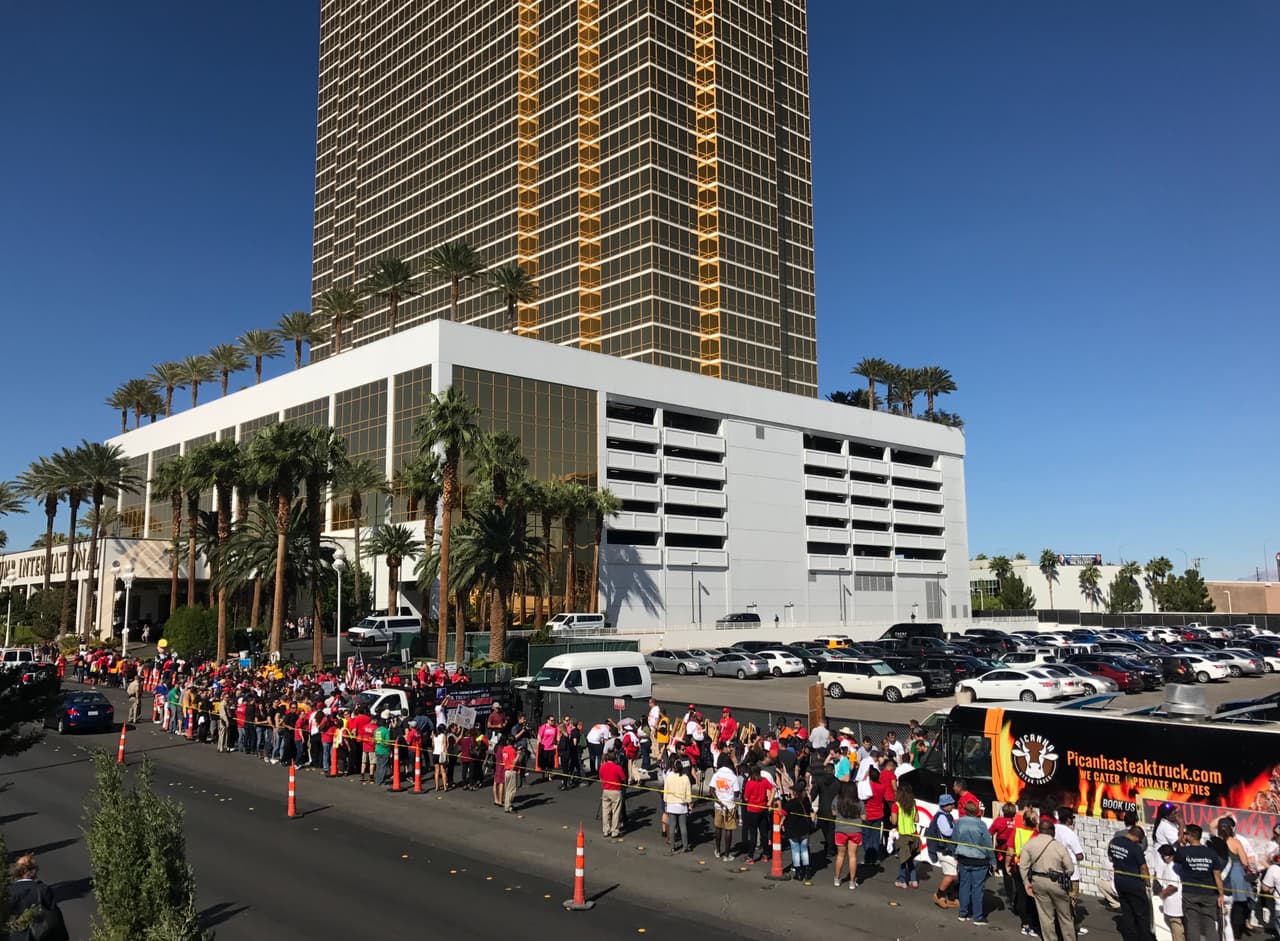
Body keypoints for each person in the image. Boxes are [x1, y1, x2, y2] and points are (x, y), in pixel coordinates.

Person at [1024, 816, 1078, 941]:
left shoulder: (1030, 843)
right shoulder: (1059, 847)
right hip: (1057, 882)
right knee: (1065, 916)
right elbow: (1070, 869)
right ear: (1052, 831)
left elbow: (1023, 866)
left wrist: (1027, 882)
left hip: (1038, 881)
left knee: (1045, 916)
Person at [1175, 825, 1224, 941]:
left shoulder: (1183, 851)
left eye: (1186, 834)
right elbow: (1217, 875)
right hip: (1209, 893)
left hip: (1190, 893)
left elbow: (1176, 861)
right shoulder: (1211, 853)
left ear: (1190, 836)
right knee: (1210, 924)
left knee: (1192, 924)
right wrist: (1221, 894)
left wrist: (1182, 843)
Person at [7, 854, 68, 941]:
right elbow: (55, 916)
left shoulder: (9, 892)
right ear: (27, 870)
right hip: (40, 936)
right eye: (35, 868)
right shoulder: (42, 889)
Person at [954, 800, 997, 925]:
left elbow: (954, 839)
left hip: (963, 858)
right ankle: (978, 917)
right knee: (978, 888)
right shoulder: (981, 824)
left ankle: (963, 913)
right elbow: (988, 844)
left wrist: (954, 854)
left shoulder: (959, 823)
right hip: (979, 860)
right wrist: (993, 861)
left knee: (964, 886)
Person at [1108, 825, 1153, 941]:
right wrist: (1148, 884)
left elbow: (1110, 858)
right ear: (1137, 837)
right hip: (1134, 884)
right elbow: (1143, 868)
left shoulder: (1114, 842)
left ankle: (1130, 937)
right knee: (1142, 914)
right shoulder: (1135, 848)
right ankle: (1145, 938)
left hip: (1119, 881)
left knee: (1127, 911)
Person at [1211, 817, 1252, 940]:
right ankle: (1236, 933)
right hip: (1236, 876)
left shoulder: (1216, 843)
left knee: (1221, 911)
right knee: (1238, 907)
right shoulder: (1236, 842)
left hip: (1219, 875)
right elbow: (1245, 862)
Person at [1056, 809, 1089, 936]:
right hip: (1071, 873)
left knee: (1059, 901)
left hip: (1057, 870)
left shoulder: (1054, 828)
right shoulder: (1070, 833)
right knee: (1071, 902)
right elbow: (1079, 855)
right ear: (1069, 820)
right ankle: (1070, 930)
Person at [782, 773, 817, 881]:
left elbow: (782, 813)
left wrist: (781, 823)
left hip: (793, 829)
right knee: (804, 850)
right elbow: (811, 811)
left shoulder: (791, 803)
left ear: (794, 792)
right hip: (804, 829)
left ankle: (798, 872)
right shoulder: (806, 801)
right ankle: (807, 872)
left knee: (795, 850)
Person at [929, 793, 959, 908]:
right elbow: (947, 832)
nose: (953, 806)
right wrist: (956, 828)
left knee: (952, 874)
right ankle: (938, 895)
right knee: (950, 875)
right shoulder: (941, 817)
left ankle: (950, 896)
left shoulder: (946, 815)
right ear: (945, 805)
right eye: (951, 804)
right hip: (944, 850)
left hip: (947, 849)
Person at [831, 782, 863, 889]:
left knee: (840, 855)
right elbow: (864, 816)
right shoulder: (858, 802)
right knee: (852, 856)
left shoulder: (837, 799)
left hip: (840, 829)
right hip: (855, 830)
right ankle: (852, 882)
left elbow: (833, 812)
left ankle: (837, 878)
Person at [891, 780, 921, 889]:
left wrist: (890, 818)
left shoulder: (896, 805)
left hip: (903, 835)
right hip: (914, 834)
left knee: (903, 859)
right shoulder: (913, 804)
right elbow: (917, 819)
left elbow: (894, 821)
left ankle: (903, 880)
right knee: (910, 859)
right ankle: (914, 880)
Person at [710, 754, 741, 860]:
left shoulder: (716, 774)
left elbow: (711, 790)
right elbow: (736, 793)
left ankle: (718, 851)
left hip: (718, 805)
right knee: (729, 829)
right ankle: (727, 854)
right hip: (730, 805)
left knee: (718, 828)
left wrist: (718, 801)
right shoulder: (733, 776)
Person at [742, 764, 775, 863]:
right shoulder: (764, 781)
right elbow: (773, 789)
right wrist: (769, 802)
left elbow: (746, 797)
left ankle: (751, 856)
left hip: (752, 810)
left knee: (753, 834)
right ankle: (765, 854)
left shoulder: (750, 783)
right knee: (764, 833)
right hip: (763, 808)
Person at [664, 756, 694, 853]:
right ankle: (685, 846)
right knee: (683, 826)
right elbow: (688, 793)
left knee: (672, 826)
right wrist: (690, 804)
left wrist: (666, 802)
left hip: (671, 804)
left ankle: (672, 846)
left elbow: (666, 791)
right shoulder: (685, 778)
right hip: (681, 805)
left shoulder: (669, 777)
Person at [1155, 843, 1185, 941]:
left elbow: (1173, 887)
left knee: (1176, 926)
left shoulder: (1171, 868)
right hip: (1179, 902)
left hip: (1174, 903)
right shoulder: (1179, 865)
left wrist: (1161, 894)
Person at [599, 751, 626, 838]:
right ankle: (614, 830)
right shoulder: (617, 768)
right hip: (615, 790)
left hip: (606, 790)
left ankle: (606, 830)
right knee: (616, 811)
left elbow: (601, 777)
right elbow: (623, 778)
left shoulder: (602, 767)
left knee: (606, 811)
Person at [373, 717, 392, 786]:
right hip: (384, 750)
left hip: (377, 749)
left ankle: (377, 779)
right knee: (383, 766)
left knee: (378, 765)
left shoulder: (376, 730)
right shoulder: (386, 731)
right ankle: (381, 781)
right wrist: (390, 750)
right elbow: (388, 742)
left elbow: (374, 740)